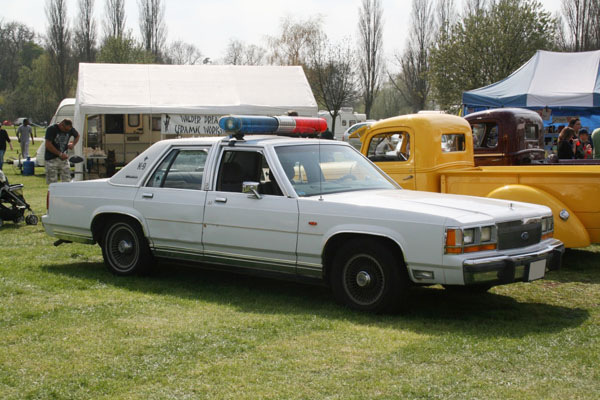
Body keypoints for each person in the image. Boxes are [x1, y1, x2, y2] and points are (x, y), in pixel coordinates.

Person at [44, 118, 79, 184]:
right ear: (61, 125)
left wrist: (73, 144)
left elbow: (77, 136)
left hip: (63, 158)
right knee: (52, 182)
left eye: (68, 130)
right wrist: (60, 154)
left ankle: (65, 190)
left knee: (67, 180)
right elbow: (48, 144)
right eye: (65, 130)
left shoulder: (69, 129)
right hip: (51, 158)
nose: (66, 132)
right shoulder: (52, 129)